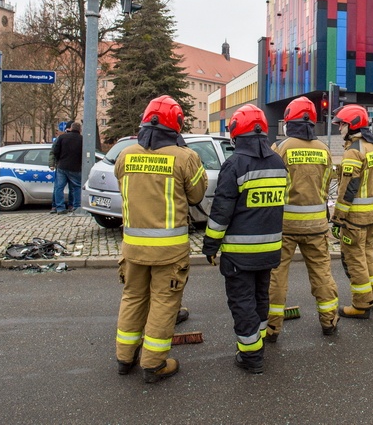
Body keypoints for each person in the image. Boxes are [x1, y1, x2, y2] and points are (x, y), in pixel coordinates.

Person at [113, 95, 208, 383]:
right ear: (176, 126)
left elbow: (122, 185)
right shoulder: (186, 158)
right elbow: (197, 196)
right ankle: (153, 364)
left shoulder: (126, 155)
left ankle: (124, 357)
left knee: (132, 298)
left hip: (132, 248)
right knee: (165, 302)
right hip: (169, 251)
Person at [203, 105, 287, 375]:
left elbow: (221, 212)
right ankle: (257, 341)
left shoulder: (234, 164)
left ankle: (251, 356)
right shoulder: (277, 162)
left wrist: (210, 245)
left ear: (237, 132)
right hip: (270, 249)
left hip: (240, 253)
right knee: (261, 297)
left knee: (242, 302)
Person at [267, 97, 338, 342]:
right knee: (321, 272)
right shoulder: (324, 149)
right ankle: (329, 321)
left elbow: (273, 183)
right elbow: (328, 184)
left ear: (289, 120)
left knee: (277, 275)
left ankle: (272, 328)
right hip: (317, 225)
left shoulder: (281, 148)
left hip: (285, 225)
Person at [330, 104, 373, 318]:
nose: (339, 128)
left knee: (355, 259)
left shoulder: (354, 150)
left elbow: (349, 187)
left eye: (342, 123)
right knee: (367, 255)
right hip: (372, 215)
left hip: (355, 217)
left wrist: (338, 218)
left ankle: (361, 305)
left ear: (351, 124)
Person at [50, 121, 83, 214]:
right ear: (80, 130)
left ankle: (60, 207)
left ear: (71, 128)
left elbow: (55, 150)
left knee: (59, 187)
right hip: (76, 167)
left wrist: (59, 159)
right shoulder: (82, 139)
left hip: (62, 166)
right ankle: (76, 207)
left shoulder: (62, 137)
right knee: (77, 187)